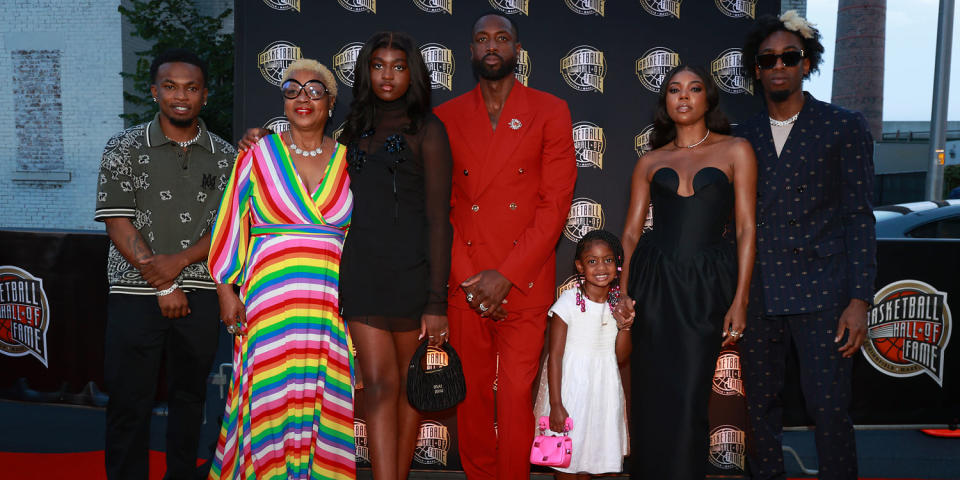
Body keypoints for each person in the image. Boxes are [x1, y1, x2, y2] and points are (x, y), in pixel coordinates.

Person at [432, 12, 577, 480]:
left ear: (517, 50)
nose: (491, 45)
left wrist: (506, 276)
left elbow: (554, 204)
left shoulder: (550, 110)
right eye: (481, 38)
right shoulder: (446, 116)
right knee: (472, 397)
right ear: (470, 51)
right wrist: (471, 281)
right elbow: (441, 208)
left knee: (515, 398)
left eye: (501, 38)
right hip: (466, 279)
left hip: (524, 281)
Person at [738, 11, 876, 480]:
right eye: (768, 58)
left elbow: (858, 216)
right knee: (759, 411)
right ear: (756, 69)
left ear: (807, 64)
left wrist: (859, 300)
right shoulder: (743, 135)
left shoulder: (843, 126)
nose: (779, 65)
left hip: (824, 293)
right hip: (758, 293)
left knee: (830, 410)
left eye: (790, 57)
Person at [207, 59, 355, 480]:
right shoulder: (257, 154)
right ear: (282, 100)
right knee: (269, 395)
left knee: (322, 398)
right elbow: (230, 221)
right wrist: (225, 290)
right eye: (292, 89)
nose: (302, 98)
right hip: (269, 302)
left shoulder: (351, 161)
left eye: (314, 90)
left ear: (330, 102)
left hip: (329, 304)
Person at [94, 48, 236, 480]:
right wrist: (162, 283)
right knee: (128, 401)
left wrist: (180, 264)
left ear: (205, 95)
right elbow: (117, 221)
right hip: (135, 293)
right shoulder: (122, 146)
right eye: (170, 86)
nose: (181, 96)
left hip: (201, 293)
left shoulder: (228, 157)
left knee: (190, 399)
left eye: (191, 88)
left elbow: (229, 226)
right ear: (154, 91)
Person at [620, 65, 757, 479]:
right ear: (665, 102)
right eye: (674, 90)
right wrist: (622, 292)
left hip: (706, 285)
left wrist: (741, 298)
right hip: (654, 284)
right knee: (650, 393)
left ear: (707, 99)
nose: (684, 96)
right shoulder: (649, 161)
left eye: (694, 89)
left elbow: (747, 227)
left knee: (688, 397)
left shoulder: (736, 150)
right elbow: (629, 232)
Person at [337, 31, 452, 480]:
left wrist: (436, 301)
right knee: (380, 386)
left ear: (413, 73)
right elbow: (303, 149)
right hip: (362, 271)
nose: (388, 75)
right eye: (379, 65)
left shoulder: (428, 129)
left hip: (411, 275)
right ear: (366, 70)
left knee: (407, 390)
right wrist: (257, 139)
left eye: (398, 66)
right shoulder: (351, 127)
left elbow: (440, 220)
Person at [532, 229, 633, 479]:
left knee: (599, 461)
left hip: (604, 394)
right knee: (567, 462)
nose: (601, 267)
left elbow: (621, 357)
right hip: (570, 394)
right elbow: (554, 356)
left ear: (617, 264)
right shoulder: (568, 302)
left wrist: (626, 326)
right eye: (592, 261)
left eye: (608, 260)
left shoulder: (619, 306)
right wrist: (556, 404)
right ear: (580, 266)